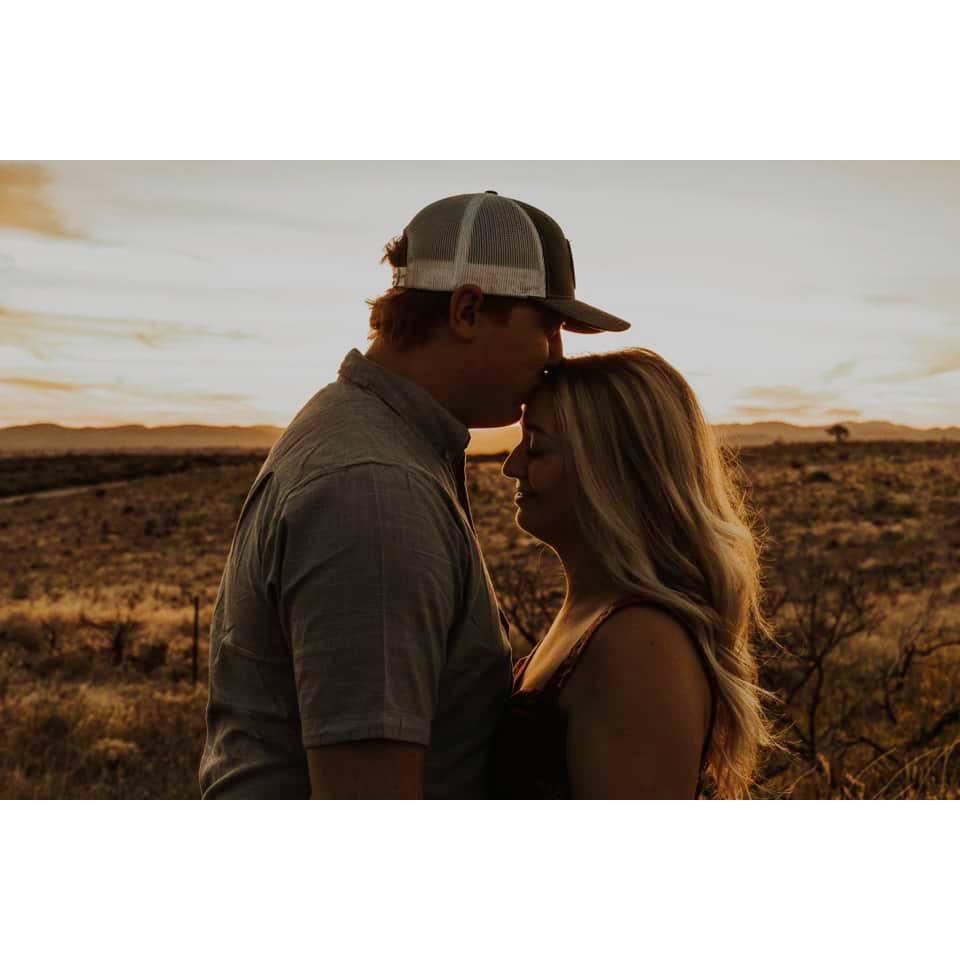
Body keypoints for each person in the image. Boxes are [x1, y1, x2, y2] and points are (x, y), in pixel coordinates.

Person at [199, 191, 629, 799]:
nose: (556, 357)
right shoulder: (375, 489)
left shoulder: (370, 441)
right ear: (467, 310)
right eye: (548, 327)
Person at [492, 348, 776, 799]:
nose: (512, 466)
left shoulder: (640, 643)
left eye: (537, 447)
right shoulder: (595, 612)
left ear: (609, 468)